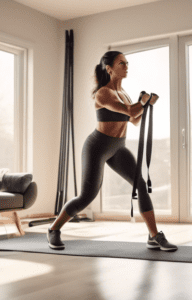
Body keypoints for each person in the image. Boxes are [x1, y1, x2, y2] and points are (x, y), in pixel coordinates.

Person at [47, 51, 178, 252]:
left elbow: (134, 120)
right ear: (109, 69)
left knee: (140, 185)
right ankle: (54, 229)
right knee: (86, 197)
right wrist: (143, 103)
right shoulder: (103, 93)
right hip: (97, 147)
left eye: (127, 63)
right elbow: (133, 111)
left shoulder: (124, 93)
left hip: (118, 147)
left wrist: (146, 105)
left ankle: (154, 236)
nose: (126, 66)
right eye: (121, 63)